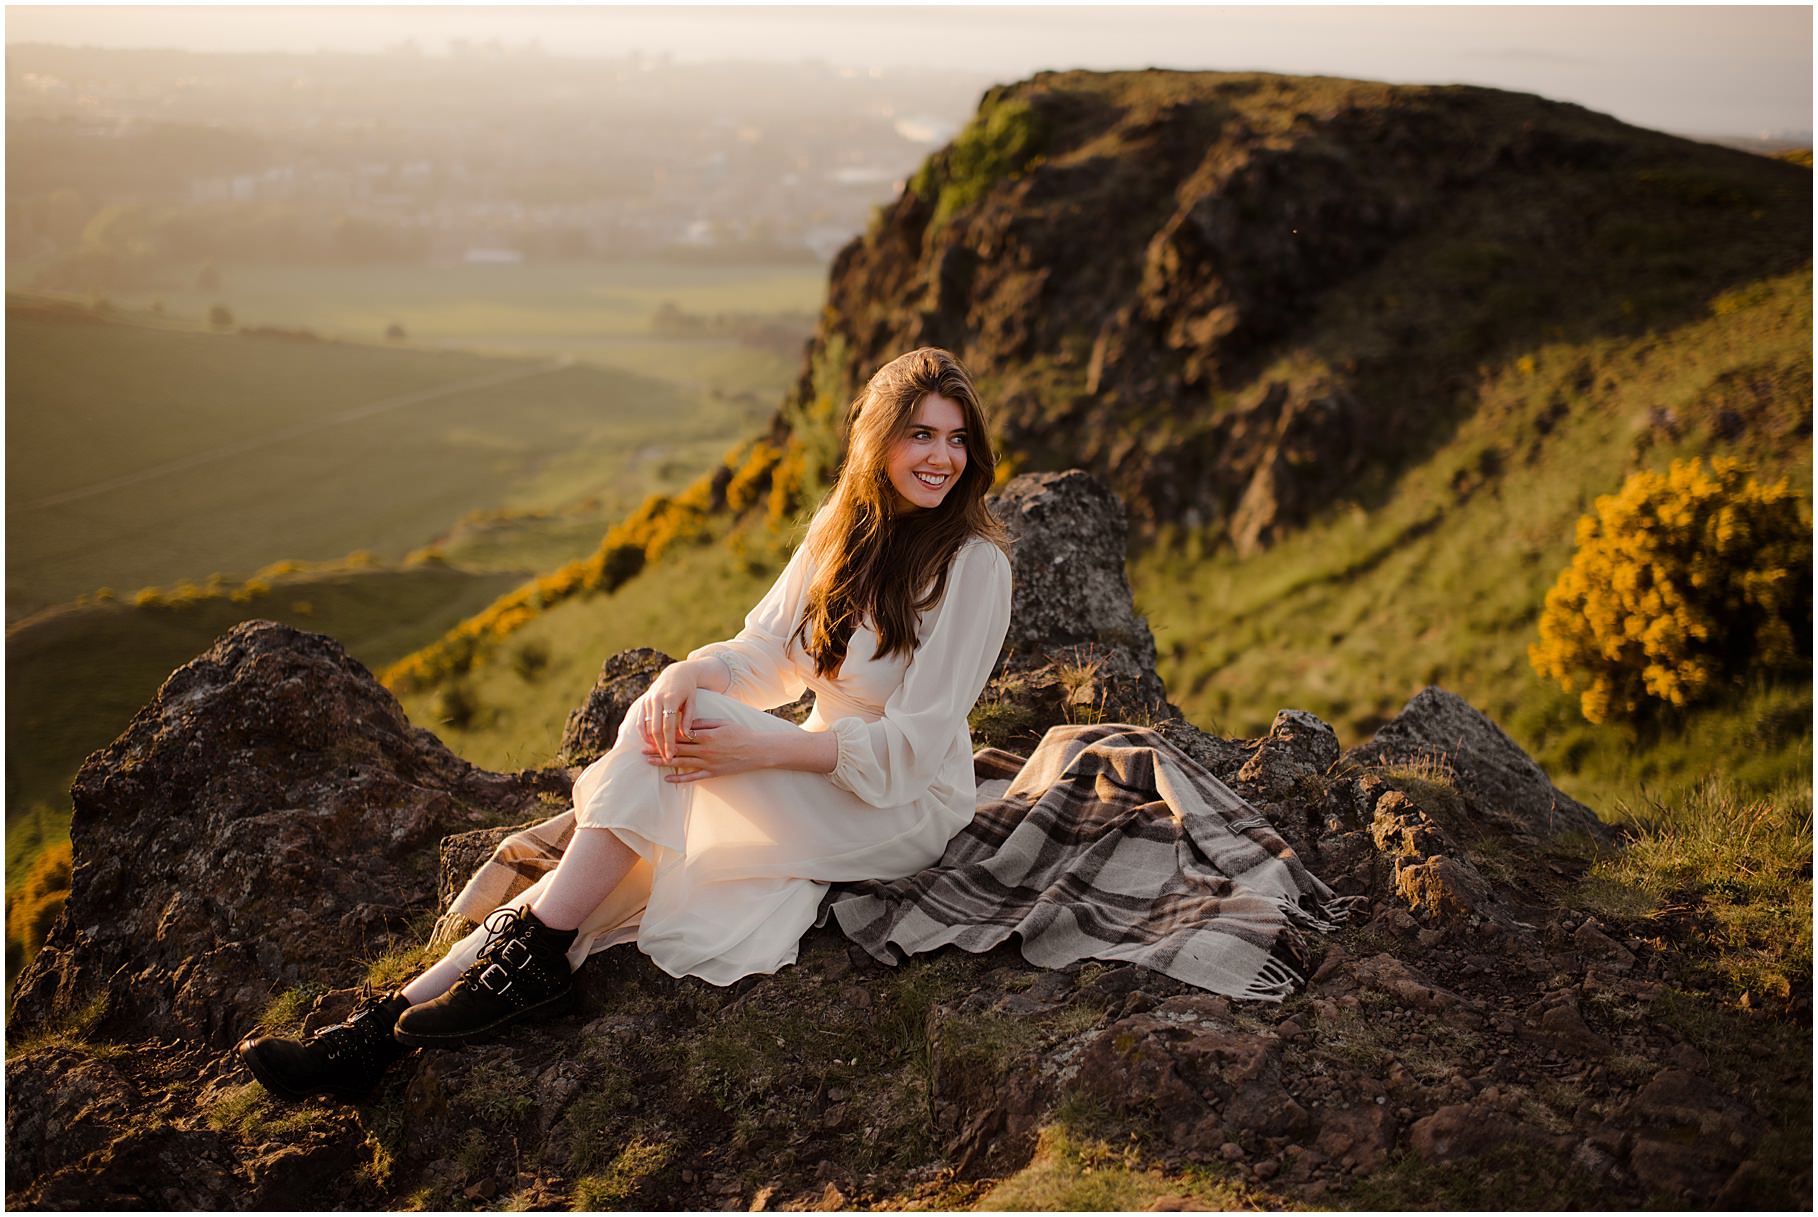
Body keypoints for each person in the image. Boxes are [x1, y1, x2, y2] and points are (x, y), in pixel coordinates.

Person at [238, 347, 1015, 1102]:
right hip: (816, 762)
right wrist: (686, 675)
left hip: (900, 802)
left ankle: (488, 979)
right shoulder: (840, 527)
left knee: (633, 822)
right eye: (921, 433)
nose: (942, 457)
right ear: (878, 439)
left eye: (956, 439)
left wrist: (761, 744)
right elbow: (766, 653)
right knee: (635, 798)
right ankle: (380, 1031)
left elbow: (913, 747)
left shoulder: (975, 564)